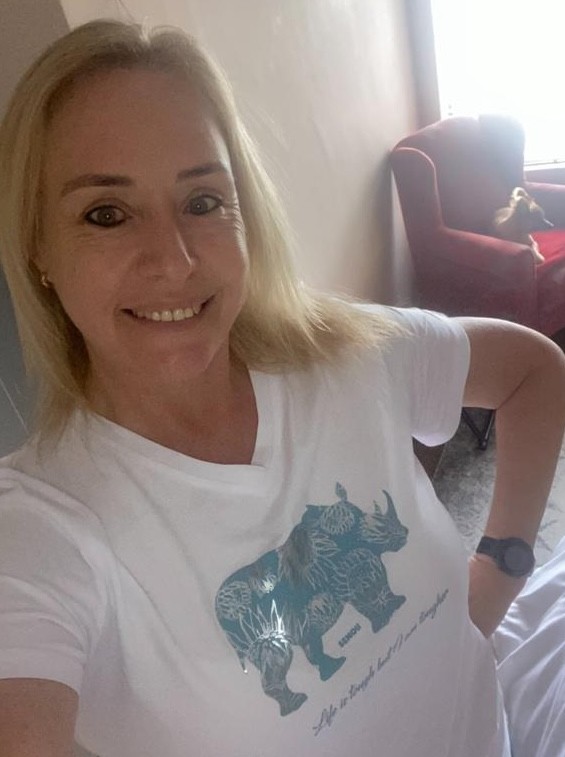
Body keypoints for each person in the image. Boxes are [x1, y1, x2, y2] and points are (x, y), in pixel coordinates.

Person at [0, 19, 564, 757]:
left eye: (203, 201)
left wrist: (500, 567)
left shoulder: (349, 356)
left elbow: (534, 371)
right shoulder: (41, 528)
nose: (174, 260)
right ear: (37, 248)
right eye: (106, 214)